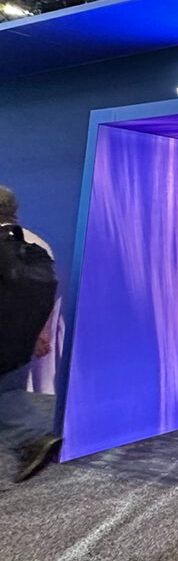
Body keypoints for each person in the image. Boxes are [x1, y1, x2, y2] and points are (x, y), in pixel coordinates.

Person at [0, 186, 60, 482]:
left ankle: (34, 435)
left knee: (6, 398)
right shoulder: (35, 243)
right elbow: (46, 294)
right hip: (19, 341)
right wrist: (39, 333)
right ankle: (35, 436)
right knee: (8, 393)